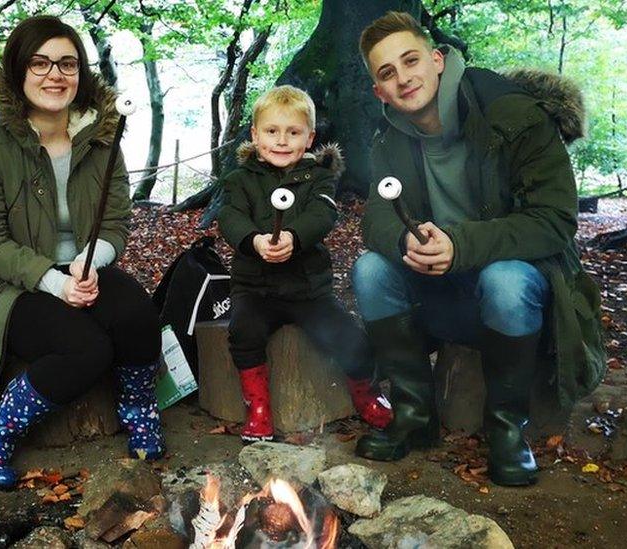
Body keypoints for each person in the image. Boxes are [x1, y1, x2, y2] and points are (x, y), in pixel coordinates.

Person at [353, 12, 605, 486]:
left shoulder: (513, 114)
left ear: (437, 59)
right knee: (370, 270)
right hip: (443, 292)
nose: (403, 77)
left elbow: (555, 221)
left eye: (410, 61)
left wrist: (461, 244)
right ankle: (414, 414)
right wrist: (406, 238)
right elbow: (375, 218)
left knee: (504, 279)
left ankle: (508, 431)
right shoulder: (389, 139)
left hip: (522, 295)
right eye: (387, 73)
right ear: (378, 91)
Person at [0, 15, 164, 489]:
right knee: (85, 348)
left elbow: (115, 223)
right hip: (8, 282)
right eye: (40, 63)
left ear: (80, 74)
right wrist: (56, 282)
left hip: (82, 267)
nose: (55, 75)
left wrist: (91, 260)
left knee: (139, 315)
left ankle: (138, 407)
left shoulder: (104, 140)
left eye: (67, 63)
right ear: (19, 72)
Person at [217, 85, 392, 443]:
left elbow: (323, 214)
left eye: (293, 132)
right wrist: (254, 241)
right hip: (255, 287)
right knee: (243, 332)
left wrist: (294, 238)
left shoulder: (319, 178)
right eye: (271, 131)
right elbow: (231, 216)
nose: (281, 141)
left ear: (309, 138)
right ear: (255, 134)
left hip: (308, 290)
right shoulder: (239, 180)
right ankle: (259, 407)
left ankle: (365, 393)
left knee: (349, 337)